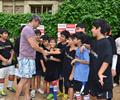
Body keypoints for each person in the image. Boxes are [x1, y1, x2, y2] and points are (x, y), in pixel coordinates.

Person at [15, 15, 47, 100]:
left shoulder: (29, 29)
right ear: (34, 20)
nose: (38, 25)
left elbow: (32, 43)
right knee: (24, 80)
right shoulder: (28, 29)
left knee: (28, 79)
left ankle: (27, 97)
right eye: (38, 23)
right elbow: (33, 45)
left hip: (29, 58)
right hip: (26, 58)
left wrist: (38, 41)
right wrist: (43, 51)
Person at [89, 19, 113, 100]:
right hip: (93, 79)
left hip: (103, 80)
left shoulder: (106, 42)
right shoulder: (94, 42)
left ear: (98, 28)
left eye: (93, 27)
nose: (91, 30)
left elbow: (107, 59)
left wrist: (100, 73)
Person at [69, 33, 90, 100]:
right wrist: (72, 73)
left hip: (83, 77)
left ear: (79, 40)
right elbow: (76, 63)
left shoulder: (84, 49)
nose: (73, 40)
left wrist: (76, 59)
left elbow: (88, 62)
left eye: (74, 38)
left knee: (84, 94)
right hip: (77, 76)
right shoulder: (78, 49)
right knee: (77, 93)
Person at [0, 28, 15, 96]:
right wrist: (4, 60)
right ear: (1, 34)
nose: (7, 35)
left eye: (7, 33)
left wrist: (11, 59)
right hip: (2, 63)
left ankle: (9, 86)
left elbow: (12, 50)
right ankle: (1, 90)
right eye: (5, 33)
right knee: (1, 77)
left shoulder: (9, 42)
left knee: (12, 75)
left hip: (10, 62)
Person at [62, 35, 77, 100]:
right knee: (66, 84)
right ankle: (70, 96)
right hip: (65, 70)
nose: (68, 41)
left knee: (72, 86)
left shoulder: (77, 51)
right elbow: (61, 52)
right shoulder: (67, 48)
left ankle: (72, 97)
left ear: (74, 41)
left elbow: (76, 64)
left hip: (72, 71)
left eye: (69, 40)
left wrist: (72, 73)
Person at [57, 30, 70, 97]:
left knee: (66, 79)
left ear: (66, 38)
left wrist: (67, 45)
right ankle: (61, 91)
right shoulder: (58, 44)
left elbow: (64, 52)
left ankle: (66, 93)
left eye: (63, 36)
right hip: (59, 63)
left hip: (66, 64)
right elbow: (58, 53)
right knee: (60, 77)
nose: (61, 37)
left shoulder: (69, 45)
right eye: (60, 36)